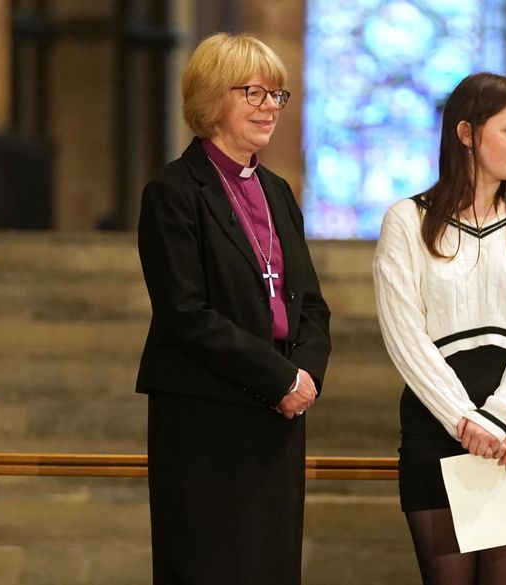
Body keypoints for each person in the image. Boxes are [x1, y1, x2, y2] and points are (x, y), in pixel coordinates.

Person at [135, 33, 331, 585]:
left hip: (278, 417)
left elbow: (311, 303)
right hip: (205, 418)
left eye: (277, 95)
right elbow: (185, 313)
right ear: (211, 97)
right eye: (255, 93)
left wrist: (307, 375)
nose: (271, 106)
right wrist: (279, 378)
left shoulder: (278, 191)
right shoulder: (174, 191)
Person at [373, 72, 506, 585]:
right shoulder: (406, 220)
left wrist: (499, 419)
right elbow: (403, 334)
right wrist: (465, 420)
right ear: (466, 133)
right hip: (437, 426)